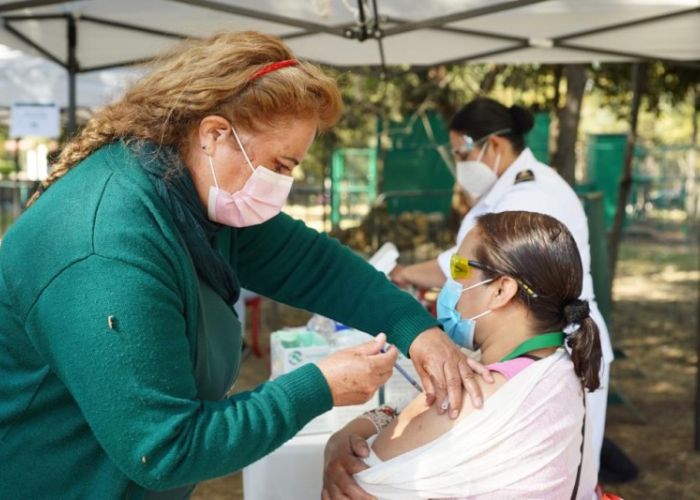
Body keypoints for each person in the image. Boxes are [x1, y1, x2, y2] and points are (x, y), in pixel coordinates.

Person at [0, 32, 487, 498]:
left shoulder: (189, 190)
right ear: (215, 134)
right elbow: (166, 448)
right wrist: (317, 387)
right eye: (280, 165)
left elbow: (314, 265)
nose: (282, 186)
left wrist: (418, 331)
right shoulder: (106, 251)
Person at [390, 97, 614, 475]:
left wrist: (408, 273)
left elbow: (471, 265)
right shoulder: (509, 191)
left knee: (562, 473)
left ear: (492, 145)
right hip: (534, 346)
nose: (459, 165)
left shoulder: (532, 195)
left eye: (461, 152)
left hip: (550, 344)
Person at [324, 210, 602, 499]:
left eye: (458, 268)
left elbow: (358, 479)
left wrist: (340, 441)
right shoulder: (558, 364)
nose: (449, 283)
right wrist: (343, 437)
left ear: (500, 290)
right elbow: (402, 410)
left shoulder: (477, 392)